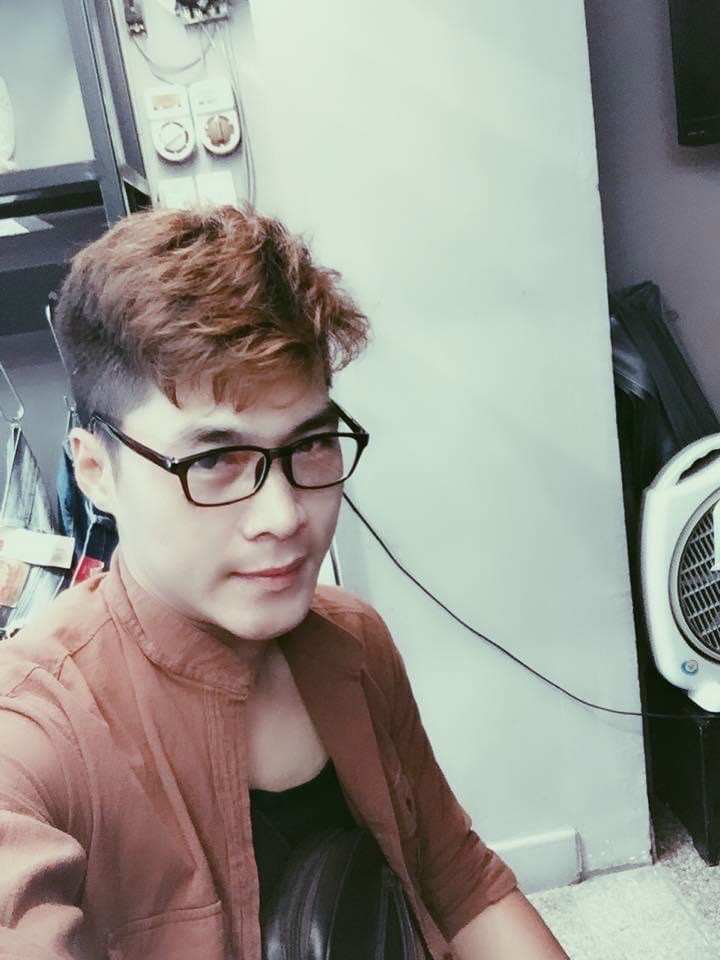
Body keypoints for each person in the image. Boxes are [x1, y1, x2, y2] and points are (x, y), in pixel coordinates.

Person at [0, 205, 568, 959]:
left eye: (312, 442)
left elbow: (460, 881)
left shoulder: (354, 642)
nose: (285, 515)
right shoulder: (32, 732)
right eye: (214, 459)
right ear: (96, 471)